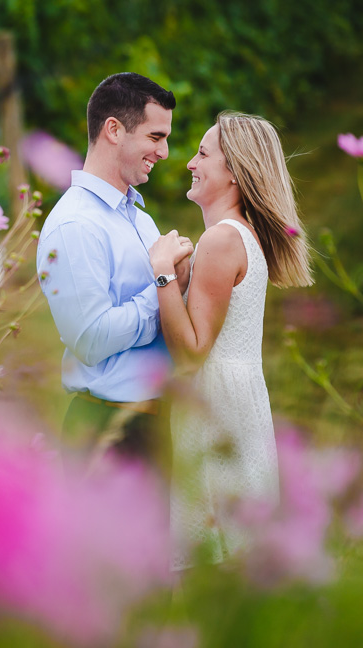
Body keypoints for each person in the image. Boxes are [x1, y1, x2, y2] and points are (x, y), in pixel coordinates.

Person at [147, 112, 312, 570]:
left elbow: (193, 351)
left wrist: (161, 272)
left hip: (216, 407)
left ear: (234, 172)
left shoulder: (221, 239)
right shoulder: (240, 236)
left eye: (202, 153)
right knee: (231, 559)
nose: (189, 164)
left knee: (207, 564)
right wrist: (181, 285)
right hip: (238, 400)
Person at [37, 73, 185, 466]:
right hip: (105, 430)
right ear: (114, 130)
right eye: (156, 137)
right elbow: (90, 340)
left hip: (151, 420)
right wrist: (164, 288)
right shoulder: (75, 226)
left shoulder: (139, 218)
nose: (165, 152)